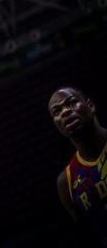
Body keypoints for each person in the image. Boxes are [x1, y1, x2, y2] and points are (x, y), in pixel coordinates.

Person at [50, 86, 107, 245]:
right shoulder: (66, 182)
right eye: (57, 112)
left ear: (91, 105)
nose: (65, 112)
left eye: (71, 103)